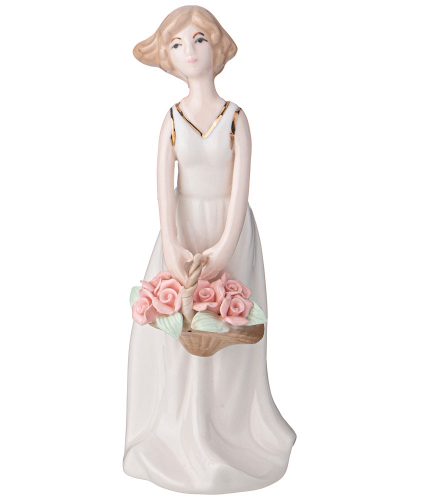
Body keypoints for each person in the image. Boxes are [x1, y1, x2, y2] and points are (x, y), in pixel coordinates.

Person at [123, 6, 296, 494]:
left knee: (228, 333)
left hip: (230, 234)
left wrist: (224, 249)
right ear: (169, 58)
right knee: (179, 333)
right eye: (178, 44)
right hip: (182, 232)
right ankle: (178, 430)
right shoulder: (171, 120)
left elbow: (240, 191)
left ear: (216, 47)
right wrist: (173, 246)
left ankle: (233, 430)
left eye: (199, 39)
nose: (190, 51)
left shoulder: (236, 118)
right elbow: (164, 191)